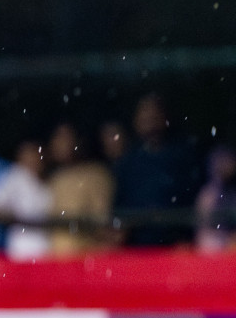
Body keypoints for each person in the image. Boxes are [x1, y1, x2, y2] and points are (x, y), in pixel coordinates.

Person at [114, 93, 199, 246]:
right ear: (135, 119)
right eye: (144, 112)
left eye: (155, 112)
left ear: (166, 117)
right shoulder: (127, 163)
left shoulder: (183, 157)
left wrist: (187, 239)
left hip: (176, 247)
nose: (150, 118)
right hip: (135, 248)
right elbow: (119, 210)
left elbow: (192, 203)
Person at [44, 121, 114, 256]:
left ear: (78, 140)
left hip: (85, 258)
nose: (60, 143)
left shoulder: (96, 174)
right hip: (54, 260)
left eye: (65, 137)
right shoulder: (54, 178)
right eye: (57, 138)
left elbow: (101, 221)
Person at [0, 138, 52, 260]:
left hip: (45, 249)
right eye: (29, 154)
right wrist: (9, 216)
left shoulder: (46, 181)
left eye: (37, 154)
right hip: (21, 250)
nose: (34, 158)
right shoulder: (15, 177)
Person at [195, 145, 236, 253]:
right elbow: (205, 228)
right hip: (214, 246)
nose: (227, 166)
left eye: (229, 162)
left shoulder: (232, 191)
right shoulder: (208, 193)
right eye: (223, 162)